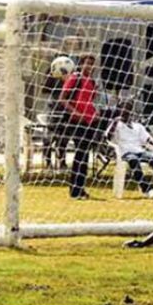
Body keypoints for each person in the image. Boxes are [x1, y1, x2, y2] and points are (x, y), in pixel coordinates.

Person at [58, 53, 101, 200]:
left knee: (85, 155)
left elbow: (89, 101)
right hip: (77, 121)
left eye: (92, 63)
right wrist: (76, 112)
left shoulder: (92, 82)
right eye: (87, 63)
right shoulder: (75, 78)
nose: (89, 66)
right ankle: (75, 190)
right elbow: (63, 99)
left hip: (89, 121)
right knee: (80, 154)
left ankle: (81, 188)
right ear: (81, 64)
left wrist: (94, 114)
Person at [106, 99, 153, 197]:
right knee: (134, 161)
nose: (126, 111)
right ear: (119, 110)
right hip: (125, 153)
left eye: (128, 108)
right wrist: (114, 124)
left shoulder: (137, 126)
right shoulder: (116, 124)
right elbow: (107, 137)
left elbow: (147, 139)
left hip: (139, 151)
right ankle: (147, 190)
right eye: (123, 108)